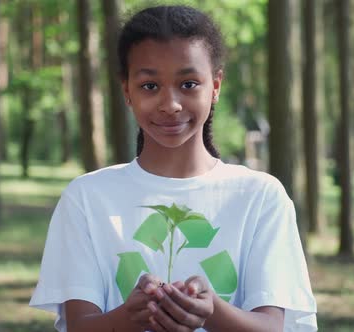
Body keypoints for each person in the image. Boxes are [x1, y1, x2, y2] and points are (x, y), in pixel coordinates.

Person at [30, 5, 317, 332]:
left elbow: (272, 326)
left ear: (216, 86)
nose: (170, 104)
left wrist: (213, 311)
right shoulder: (86, 198)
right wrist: (130, 316)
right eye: (150, 86)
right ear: (127, 91)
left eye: (189, 84)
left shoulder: (261, 197)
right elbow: (79, 326)